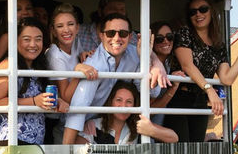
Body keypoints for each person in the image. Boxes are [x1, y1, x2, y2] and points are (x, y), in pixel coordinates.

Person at [163, 0, 238, 142]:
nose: (198, 14)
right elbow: (187, 65)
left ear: (211, 11)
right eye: (193, 12)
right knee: (182, 147)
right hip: (180, 96)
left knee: (197, 148)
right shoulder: (185, 33)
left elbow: (227, 78)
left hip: (200, 100)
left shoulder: (218, 44)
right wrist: (210, 91)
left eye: (203, 9)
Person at [62, 13, 163, 145]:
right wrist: (65, 153)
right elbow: (77, 112)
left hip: (112, 128)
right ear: (101, 35)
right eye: (110, 33)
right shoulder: (93, 65)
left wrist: (151, 61)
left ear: (130, 36)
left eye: (123, 33)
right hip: (78, 133)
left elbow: (152, 93)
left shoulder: (135, 54)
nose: (117, 38)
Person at [0, 17, 69, 145]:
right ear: (15, 41)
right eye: (27, 39)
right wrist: (34, 101)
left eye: (38, 39)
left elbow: (39, 100)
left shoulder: (38, 66)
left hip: (35, 141)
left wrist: (54, 101)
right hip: (12, 139)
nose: (33, 44)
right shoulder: (8, 64)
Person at [45, 3, 98, 143]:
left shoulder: (76, 43)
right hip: (54, 118)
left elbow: (79, 57)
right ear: (53, 31)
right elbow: (65, 97)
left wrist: (85, 55)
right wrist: (77, 72)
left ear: (77, 27)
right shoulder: (54, 55)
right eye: (60, 26)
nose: (66, 30)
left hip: (70, 115)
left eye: (70, 24)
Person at [77, 81, 178, 144]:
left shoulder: (137, 125)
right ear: (110, 101)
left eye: (129, 102)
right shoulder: (93, 125)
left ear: (134, 105)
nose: (124, 106)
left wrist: (151, 130)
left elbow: (174, 138)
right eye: (119, 100)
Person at [148, 21, 184, 125]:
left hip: (160, 121)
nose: (166, 41)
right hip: (146, 126)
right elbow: (149, 110)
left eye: (169, 37)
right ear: (152, 42)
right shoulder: (150, 66)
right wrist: (172, 88)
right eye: (159, 39)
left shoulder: (169, 63)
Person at [0, 0, 35, 68]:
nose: (25, 12)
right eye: (18, 9)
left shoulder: (39, 35)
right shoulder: (7, 37)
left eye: (28, 8)